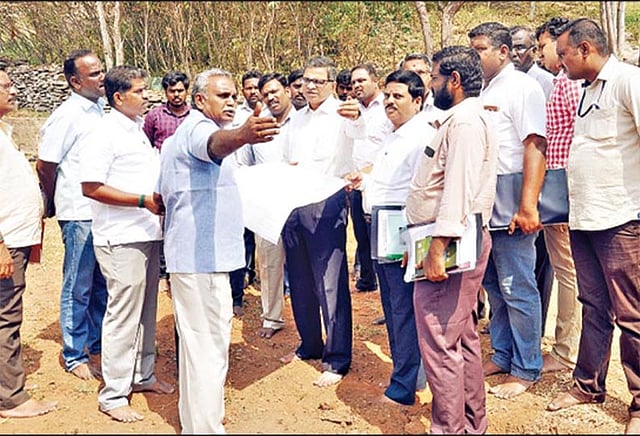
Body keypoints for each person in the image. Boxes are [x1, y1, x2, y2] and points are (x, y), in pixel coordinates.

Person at [156, 67, 279, 433]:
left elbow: (163, 195)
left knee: (200, 349)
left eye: (233, 96)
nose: (232, 101)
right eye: (223, 95)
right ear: (199, 100)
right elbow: (213, 144)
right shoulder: (197, 129)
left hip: (198, 259)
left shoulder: (178, 137)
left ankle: (198, 423)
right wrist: (243, 135)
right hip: (200, 261)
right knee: (208, 349)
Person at [546, 18, 640, 434]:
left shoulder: (628, 82)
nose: (560, 62)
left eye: (563, 54)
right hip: (584, 218)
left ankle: (639, 403)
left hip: (620, 218)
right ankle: (588, 385)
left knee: (632, 315)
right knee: (594, 306)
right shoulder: (587, 89)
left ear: (585, 49)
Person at [406, 44, 498, 434]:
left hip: (451, 241)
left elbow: (457, 189)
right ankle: (472, 424)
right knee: (461, 337)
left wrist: (437, 248)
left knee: (441, 340)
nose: (430, 85)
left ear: (454, 80)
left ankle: (449, 428)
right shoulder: (463, 119)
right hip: (455, 237)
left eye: (434, 77)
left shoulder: (464, 123)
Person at [80, 65, 174, 423]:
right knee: (123, 315)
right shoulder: (103, 133)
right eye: (139, 91)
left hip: (147, 232)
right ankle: (114, 393)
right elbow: (91, 187)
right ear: (118, 97)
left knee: (146, 310)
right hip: (121, 237)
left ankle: (142, 375)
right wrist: (140, 201)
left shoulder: (136, 128)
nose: (146, 96)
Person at [469, 21, 548, 399]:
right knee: (492, 285)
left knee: (517, 285)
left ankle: (527, 366)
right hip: (483, 198)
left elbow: (535, 145)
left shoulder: (523, 87)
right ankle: (503, 354)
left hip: (512, 196)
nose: (475, 57)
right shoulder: (482, 89)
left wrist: (528, 205)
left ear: (504, 51)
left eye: (480, 49)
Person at [346, 68, 434, 406]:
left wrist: (415, 238)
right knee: (393, 303)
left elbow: (422, 190)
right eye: (387, 96)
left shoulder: (422, 136)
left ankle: (403, 386)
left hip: (402, 228)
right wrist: (365, 182)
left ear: (418, 100)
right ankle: (409, 375)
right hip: (382, 224)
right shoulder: (395, 135)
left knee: (403, 307)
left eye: (398, 96)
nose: (390, 102)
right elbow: (389, 181)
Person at [279, 56, 364, 388]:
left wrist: (357, 116)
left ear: (331, 84)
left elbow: (362, 132)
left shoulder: (344, 114)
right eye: (306, 80)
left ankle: (337, 357)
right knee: (300, 279)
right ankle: (310, 344)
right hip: (293, 203)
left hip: (326, 203)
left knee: (330, 282)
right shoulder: (296, 118)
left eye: (318, 81)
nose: (310, 86)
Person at [35, 49, 108, 381]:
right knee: (78, 283)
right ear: (75, 82)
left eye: (101, 71)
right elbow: (45, 164)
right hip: (78, 212)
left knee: (100, 282)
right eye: (93, 74)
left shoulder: (99, 109)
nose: (102, 77)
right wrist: (53, 200)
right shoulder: (66, 116)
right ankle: (74, 354)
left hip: (101, 210)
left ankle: (97, 342)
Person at [0, 69, 58, 419]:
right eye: (5, 86)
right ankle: (12, 399)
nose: (13, 90)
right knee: (6, 317)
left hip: (16, 238)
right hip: (6, 241)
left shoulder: (3, 132)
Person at [534, 16, 583, 373]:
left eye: (543, 47)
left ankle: (566, 350)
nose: (541, 55)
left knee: (568, 271)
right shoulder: (565, 82)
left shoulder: (567, 83)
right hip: (563, 186)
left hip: (563, 187)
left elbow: (576, 139)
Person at [235, 72, 293, 339]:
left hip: (301, 203)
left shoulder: (304, 120)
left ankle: (314, 321)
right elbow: (243, 165)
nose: (271, 97)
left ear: (287, 91)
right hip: (267, 205)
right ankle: (272, 317)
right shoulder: (256, 125)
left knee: (305, 265)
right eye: (266, 93)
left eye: (275, 91)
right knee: (269, 263)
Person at [509, 25, 556, 332]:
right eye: (511, 47)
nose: (516, 53)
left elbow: (544, 139)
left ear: (534, 50)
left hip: (539, 180)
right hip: (511, 186)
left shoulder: (544, 82)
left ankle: (534, 326)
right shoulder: (501, 84)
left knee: (539, 260)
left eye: (521, 47)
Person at [142, 70, 190, 295]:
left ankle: (183, 268)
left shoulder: (195, 116)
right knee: (163, 224)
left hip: (188, 178)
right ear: (166, 92)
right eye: (172, 91)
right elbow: (146, 145)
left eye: (180, 90)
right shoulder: (155, 116)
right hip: (163, 177)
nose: (176, 95)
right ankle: (163, 273)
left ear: (187, 91)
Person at [348, 63, 391, 293]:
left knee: (380, 236)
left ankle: (386, 283)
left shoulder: (388, 107)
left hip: (381, 182)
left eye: (361, 80)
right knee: (361, 236)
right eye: (354, 82)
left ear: (376, 81)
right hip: (355, 182)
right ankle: (367, 279)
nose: (357, 85)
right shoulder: (351, 110)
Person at [230, 69, 263, 316]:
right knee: (236, 239)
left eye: (256, 87)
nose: (252, 91)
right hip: (228, 187)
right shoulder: (234, 116)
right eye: (248, 87)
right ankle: (236, 294)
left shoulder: (263, 116)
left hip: (252, 184)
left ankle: (250, 276)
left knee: (252, 236)